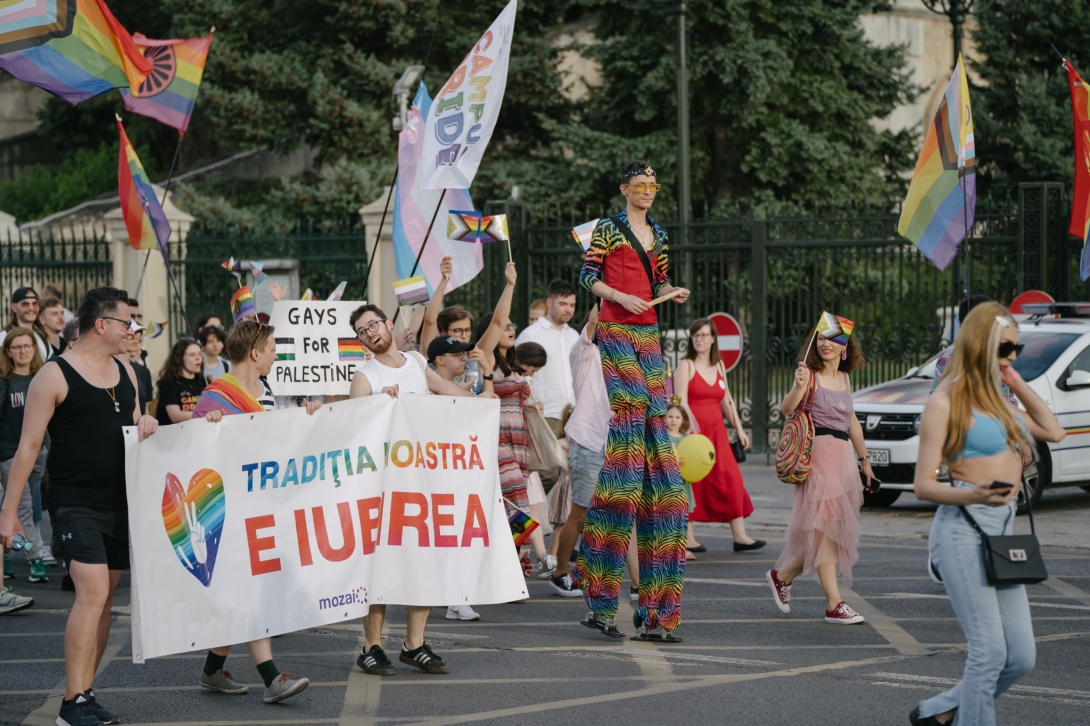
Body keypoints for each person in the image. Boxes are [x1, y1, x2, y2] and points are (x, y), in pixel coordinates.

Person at [0, 287, 158, 726]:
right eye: (127, 322)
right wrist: (8, 512)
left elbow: (133, 424)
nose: (132, 330)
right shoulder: (53, 375)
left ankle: (86, 694)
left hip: (119, 501)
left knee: (105, 600)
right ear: (102, 324)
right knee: (91, 593)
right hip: (73, 501)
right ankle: (71, 704)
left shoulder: (127, 370)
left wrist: (145, 421)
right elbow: (29, 447)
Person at [909, 303, 1064, 726]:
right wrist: (972, 494)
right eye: (1006, 348)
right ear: (981, 345)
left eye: (1017, 347)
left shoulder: (999, 399)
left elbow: (1053, 430)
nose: (1013, 355)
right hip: (962, 530)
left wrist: (1012, 376)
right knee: (990, 652)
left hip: (1004, 531)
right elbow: (923, 484)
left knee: (1021, 657)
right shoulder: (945, 402)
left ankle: (938, 712)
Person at [576, 159, 690, 640]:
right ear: (624, 188)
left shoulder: (658, 234)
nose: (647, 192)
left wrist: (671, 292)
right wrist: (619, 298)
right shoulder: (608, 228)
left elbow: (658, 281)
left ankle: (659, 613)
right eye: (639, 185)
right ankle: (601, 602)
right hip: (617, 329)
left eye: (652, 186)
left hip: (648, 334)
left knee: (656, 420)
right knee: (632, 408)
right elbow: (588, 277)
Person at [190, 320, 315, 704]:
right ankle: (272, 678)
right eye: (274, 347)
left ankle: (212, 671)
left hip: (263, 505)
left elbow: (278, 441)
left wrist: (306, 417)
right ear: (255, 353)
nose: (277, 353)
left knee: (248, 589)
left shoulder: (268, 390)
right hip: (231, 509)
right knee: (250, 590)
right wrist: (206, 429)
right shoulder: (215, 396)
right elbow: (193, 459)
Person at [348, 303, 473, 678]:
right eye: (361, 330)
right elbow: (353, 430)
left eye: (373, 324)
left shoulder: (417, 362)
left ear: (388, 324)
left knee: (423, 563)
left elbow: (447, 390)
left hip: (422, 482)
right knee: (381, 567)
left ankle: (413, 645)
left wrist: (480, 406)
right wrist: (375, 405)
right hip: (383, 487)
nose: (370, 332)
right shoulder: (364, 377)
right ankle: (371, 648)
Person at [767, 319, 873, 625]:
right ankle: (834, 603)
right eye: (822, 339)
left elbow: (852, 423)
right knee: (825, 530)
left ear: (845, 348)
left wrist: (864, 460)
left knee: (829, 531)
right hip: (818, 456)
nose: (826, 344)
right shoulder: (809, 375)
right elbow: (788, 409)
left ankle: (783, 574)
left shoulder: (844, 379)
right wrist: (798, 386)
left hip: (842, 458)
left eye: (834, 340)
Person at [475, 262, 544, 577]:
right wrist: (511, 284)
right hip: (497, 440)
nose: (510, 327)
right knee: (517, 496)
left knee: (516, 504)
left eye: (512, 325)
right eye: (504, 326)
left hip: (519, 443)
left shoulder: (516, 363)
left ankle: (511, 564)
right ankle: (509, 565)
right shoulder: (485, 357)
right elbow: (499, 318)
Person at [674, 318, 762, 552]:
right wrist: (689, 431)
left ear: (713, 339)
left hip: (718, 435)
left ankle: (740, 536)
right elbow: (680, 401)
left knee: (731, 479)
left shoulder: (720, 365)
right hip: (694, 435)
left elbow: (727, 400)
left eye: (704, 335)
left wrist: (740, 429)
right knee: (692, 484)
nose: (699, 339)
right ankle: (689, 538)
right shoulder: (686, 365)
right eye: (696, 336)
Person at [548, 305, 608, 597]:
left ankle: (593, 573)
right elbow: (597, 317)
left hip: (614, 440)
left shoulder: (619, 355)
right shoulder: (584, 350)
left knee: (610, 515)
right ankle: (560, 573)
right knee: (581, 513)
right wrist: (607, 273)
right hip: (587, 439)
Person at [426, 333, 485, 623]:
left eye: (464, 354)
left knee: (459, 536)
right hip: (431, 475)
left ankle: (456, 598)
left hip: (458, 473)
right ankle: (451, 597)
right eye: (457, 354)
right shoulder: (424, 388)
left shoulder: (462, 389)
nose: (464, 358)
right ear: (440, 359)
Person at [516, 279, 579, 497]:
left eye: (571, 304)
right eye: (563, 303)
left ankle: (555, 526)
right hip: (546, 413)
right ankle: (537, 520)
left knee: (571, 471)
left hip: (572, 414)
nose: (568, 309)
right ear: (548, 302)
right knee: (547, 472)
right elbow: (521, 376)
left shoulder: (574, 336)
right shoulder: (531, 334)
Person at [0, 329, 50, 584]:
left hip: (38, 452)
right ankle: (35, 559)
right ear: (8, 352)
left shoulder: (42, 379)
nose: (22, 350)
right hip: (10, 454)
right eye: (17, 346)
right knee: (24, 506)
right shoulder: (5, 382)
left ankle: (5, 553)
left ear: (34, 349)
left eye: (27, 345)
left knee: (19, 505)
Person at [665, 401, 698, 559]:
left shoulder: (687, 438)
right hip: (667, 484)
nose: (673, 420)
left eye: (677, 417)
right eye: (670, 416)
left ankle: (681, 548)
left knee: (682, 518)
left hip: (683, 484)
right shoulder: (662, 438)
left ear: (683, 420)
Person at [155, 339, 206, 426]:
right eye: (192, 355)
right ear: (179, 358)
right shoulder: (169, 382)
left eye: (200, 354)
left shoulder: (204, 381)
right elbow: (175, 416)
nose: (198, 358)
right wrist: (205, 414)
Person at [0, 287, 49, 361]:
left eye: (35, 303)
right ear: (14, 307)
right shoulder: (4, 336)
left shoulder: (41, 335)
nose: (31, 308)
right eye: (25, 304)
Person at [123, 327, 153, 415]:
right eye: (131, 337)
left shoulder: (142, 371)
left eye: (139, 340)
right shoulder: (111, 368)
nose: (136, 343)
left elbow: (145, 408)